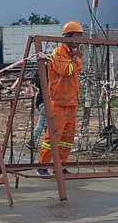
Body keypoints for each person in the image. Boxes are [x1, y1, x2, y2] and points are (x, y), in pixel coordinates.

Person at [36, 20, 84, 176]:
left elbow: (75, 72)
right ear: (68, 36)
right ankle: (42, 166)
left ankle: (60, 166)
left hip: (71, 102)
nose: (79, 40)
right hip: (58, 102)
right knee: (54, 136)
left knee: (67, 137)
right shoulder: (58, 52)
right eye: (77, 36)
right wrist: (76, 58)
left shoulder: (74, 55)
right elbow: (65, 70)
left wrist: (76, 58)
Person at [26, 73, 46, 151]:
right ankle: (32, 140)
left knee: (45, 123)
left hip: (40, 102)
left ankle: (49, 141)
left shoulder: (40, 78)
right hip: (45, 103)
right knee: (42, 123)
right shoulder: (49, 78)